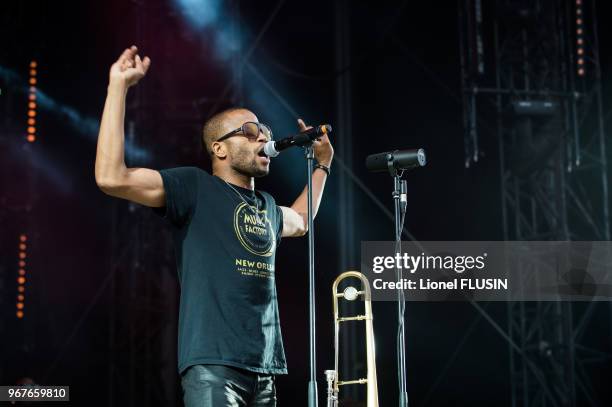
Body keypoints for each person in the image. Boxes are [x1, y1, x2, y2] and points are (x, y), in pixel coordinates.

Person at [95, 45, 333, 406]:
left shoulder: (266, 206)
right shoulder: (195, 187)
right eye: (250, 130)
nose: (263, 139)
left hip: (265, 370)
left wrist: (322, 166)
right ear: (219, 149)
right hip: (214, 367)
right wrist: (118, 87)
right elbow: (112, 177)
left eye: (265, 131)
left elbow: (300, 221)